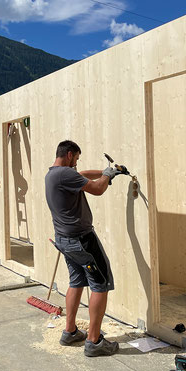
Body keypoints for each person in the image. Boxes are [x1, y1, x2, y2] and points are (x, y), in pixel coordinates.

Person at [45, 140, 128, 357]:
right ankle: (94, 341)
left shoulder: (54, 174)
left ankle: (70, 331)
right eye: (76, 158)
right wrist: (107, 176)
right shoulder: (66, 175)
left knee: (76, 281)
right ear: (70, 154)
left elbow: (82, 174)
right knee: (101, 282)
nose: (76, 164)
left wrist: (108, 171)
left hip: (64, 240)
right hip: (82, 241)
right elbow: (98, 189)